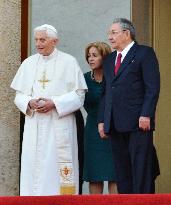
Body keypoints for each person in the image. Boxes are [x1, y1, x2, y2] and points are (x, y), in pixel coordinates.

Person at [10, 24, 87, 196]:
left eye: (42, 39)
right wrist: (30, 102)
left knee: (55, 167)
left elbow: (79, 96)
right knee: (33, 167)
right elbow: (19, 96)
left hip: (59, 124)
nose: (38, 43)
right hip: (34, 125)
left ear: (54, 41)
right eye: (36, 39)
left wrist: (55, 103)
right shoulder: (28, 63)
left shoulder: (69, 62)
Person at [98, 18, 160, 194]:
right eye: (109, 33)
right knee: (122, 170)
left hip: (138, 122)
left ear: (127, 33)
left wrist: (146, 114)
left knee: (141, 168)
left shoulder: (144, 53)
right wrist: (102, 120)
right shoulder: (109, 59)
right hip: (115, 123)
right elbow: (105, 92)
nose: (110, 37)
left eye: (114, 33)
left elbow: (152, 87)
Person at [83, 42, 117, 194]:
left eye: (95, 55)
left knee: (114, 174)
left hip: (113, 129)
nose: (90, 59)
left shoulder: (115, 77)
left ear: (105, 57)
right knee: (94, 174)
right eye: (88, 56)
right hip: (92, 130)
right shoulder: (83, 79)